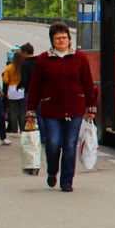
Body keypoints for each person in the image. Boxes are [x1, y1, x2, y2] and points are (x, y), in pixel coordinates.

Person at [25, 22, 96, 192]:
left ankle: (66, 181)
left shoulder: (80, 57)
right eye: (57, 38)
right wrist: (31, 110)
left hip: (75, 107)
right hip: (51, 109)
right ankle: (52, 171)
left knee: (70, 144)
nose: (61, 40)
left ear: (69, 39)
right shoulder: (43, 59)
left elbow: (88, 83)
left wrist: (91, 107)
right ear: (52, 40)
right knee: (53, 143)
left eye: (64, 37)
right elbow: (35, 86)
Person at [2, 48, 27, 134]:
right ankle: (23, 129)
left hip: (12, 89)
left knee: (13, 111)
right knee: (23, 111)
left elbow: (5, 80)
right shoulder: (23, 66)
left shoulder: (9, 67)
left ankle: (14, 130)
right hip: (21, 88)